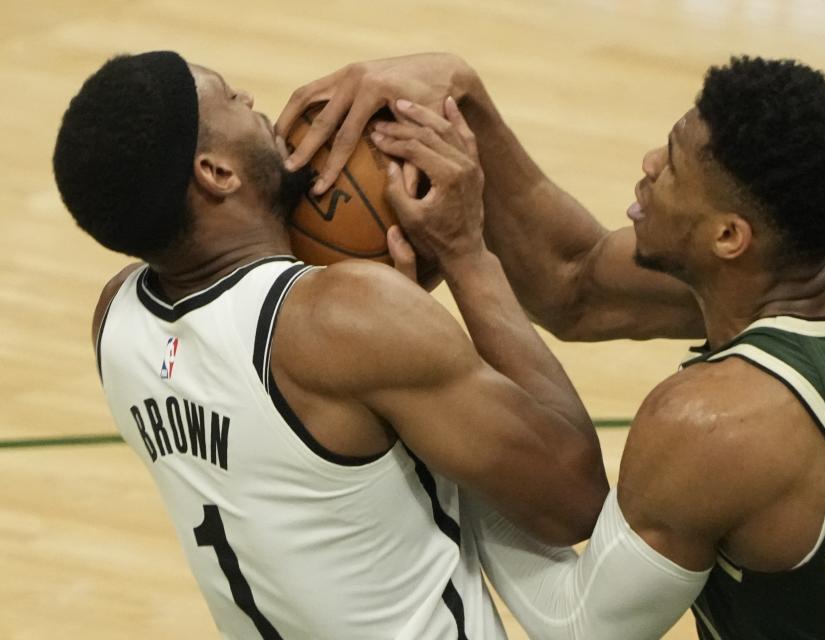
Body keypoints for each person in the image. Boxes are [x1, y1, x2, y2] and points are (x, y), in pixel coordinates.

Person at [279, 54, 825, 639]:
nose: (649, 164)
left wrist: (444, 414)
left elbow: (574, 622)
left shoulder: (718, 428)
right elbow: (575, 283)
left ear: (728, 238)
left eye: (673, 166)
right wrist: (467, 97)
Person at [52, 51, 609, 639]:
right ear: (216, 173)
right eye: (233, 97)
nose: (253, 103)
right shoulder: (339, 323)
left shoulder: (115, 319)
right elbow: (575, 496)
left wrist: (382, 306)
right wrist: (466, 253)